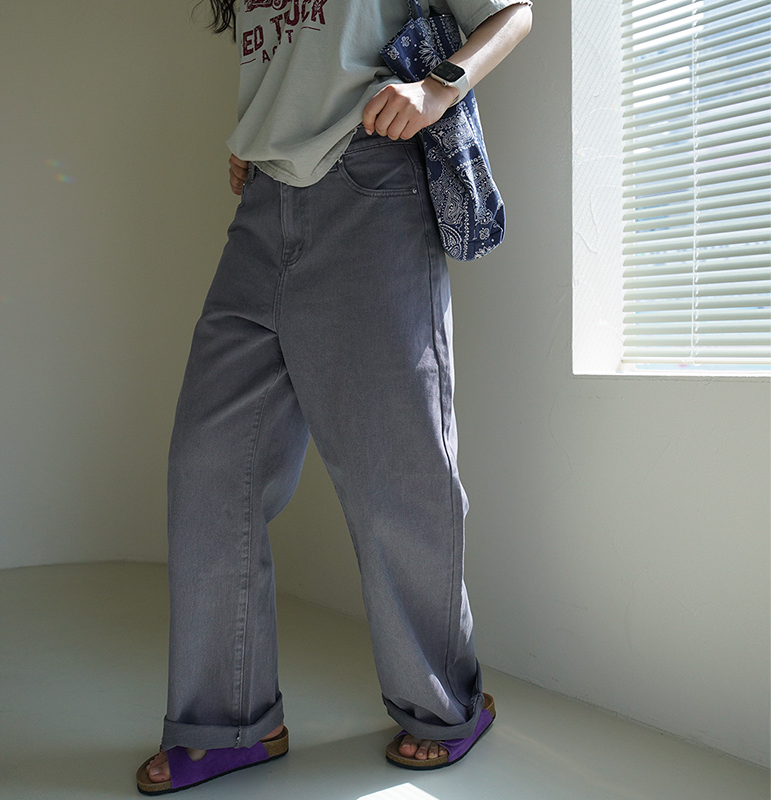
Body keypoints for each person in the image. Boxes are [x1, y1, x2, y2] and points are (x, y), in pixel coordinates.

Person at [136, 0, 532, 793]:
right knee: (210, 468)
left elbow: (513, 13)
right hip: (261, 207)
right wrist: (261, 136)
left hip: (371, 185)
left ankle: (444, 706)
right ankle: (230, 721)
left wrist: (437, 88)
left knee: (397, 474)